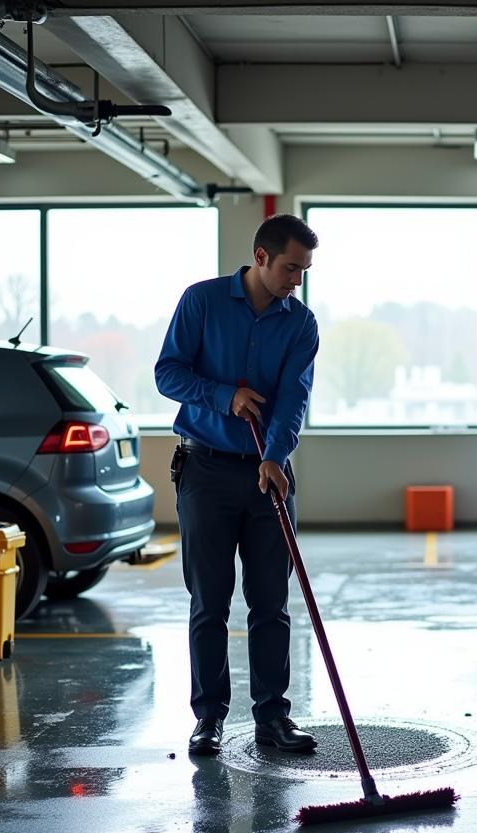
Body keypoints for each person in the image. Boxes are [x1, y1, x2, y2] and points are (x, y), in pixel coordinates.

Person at [155, 214, 320, 756]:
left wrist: (275, 455)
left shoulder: (301, 323)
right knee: (210, 601)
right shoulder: (200, 301)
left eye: (305, 270)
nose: (297, 279)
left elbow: (295, 397)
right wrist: (225, 395)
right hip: (205, 471)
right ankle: (208, 719)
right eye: (291, 268)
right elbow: (168, 373)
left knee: (271, 603)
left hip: (269, 474)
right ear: (261, 256)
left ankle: (273, 718)